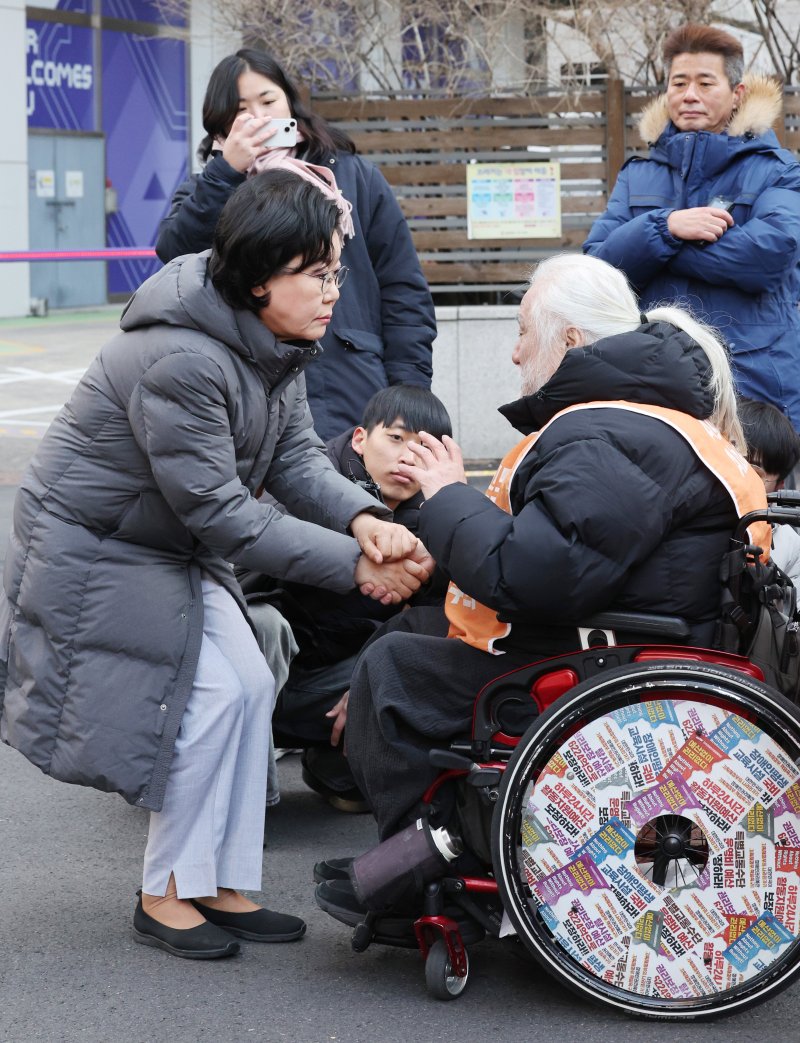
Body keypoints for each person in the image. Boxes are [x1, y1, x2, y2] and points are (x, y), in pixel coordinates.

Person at [0, 168, 432, 961]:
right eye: (315, 274)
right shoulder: (183, 359)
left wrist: (366, 517)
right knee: (201, 700)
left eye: (336, 270)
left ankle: (220, 883)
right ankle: (165, 892)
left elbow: (299, 459)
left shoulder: (276, 340)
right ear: (259, 276)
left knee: (250, 684)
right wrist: (358, 565)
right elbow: (223, 512)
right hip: (98, 544)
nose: (333, 290)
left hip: (168, 541)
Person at [313, 252, 771, 918]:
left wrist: (443, 496)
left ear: (572, 343)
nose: (515, 352)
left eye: (526, 332)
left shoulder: (611, 432)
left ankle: (442, 862)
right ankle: (433, 847)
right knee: (411, 629)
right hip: (622, 640)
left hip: (601, 665)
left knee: (393, 669)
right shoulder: (638, 422)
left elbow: (529, 574)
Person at [155, 48, 436, 441]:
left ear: (289, 101)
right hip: (249, 385)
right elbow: (175, 255)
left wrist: (408, 389)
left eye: (268, 100)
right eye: (242, 109)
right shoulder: (210, 188)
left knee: (362, 497)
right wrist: (225, 174)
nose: (260, 116)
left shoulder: (351, 177)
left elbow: (402, 286)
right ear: (221, 124)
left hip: (352, 380)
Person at [583, 23, 800, 429]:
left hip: (754, 385)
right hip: (655, 382)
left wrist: (659, 250)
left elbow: (768, 256)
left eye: (705, 82)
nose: (690, 95)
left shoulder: (779, 171)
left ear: (736, 93)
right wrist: (665, 226)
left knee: (758, 494)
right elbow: (596, 268)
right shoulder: (638, 176)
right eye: (679, 83)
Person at [260, 384, 452, 812]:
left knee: (432, 654)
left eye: (422, 447)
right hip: (261, 666)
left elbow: (436, 619)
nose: (407, 457)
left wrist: (371, 677)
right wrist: (357, 552)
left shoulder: (436, 516)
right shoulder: (310, 480)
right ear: (361, 438)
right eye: (396, 438)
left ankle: (334, 766)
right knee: (262, 623)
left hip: (329, 680)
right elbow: (258, 563)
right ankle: (227, 785)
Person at [739, 397, 800, 585]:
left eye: (756, 472)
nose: (739, 478)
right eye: (734, 464)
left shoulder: (791, 546)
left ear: (780, 486)